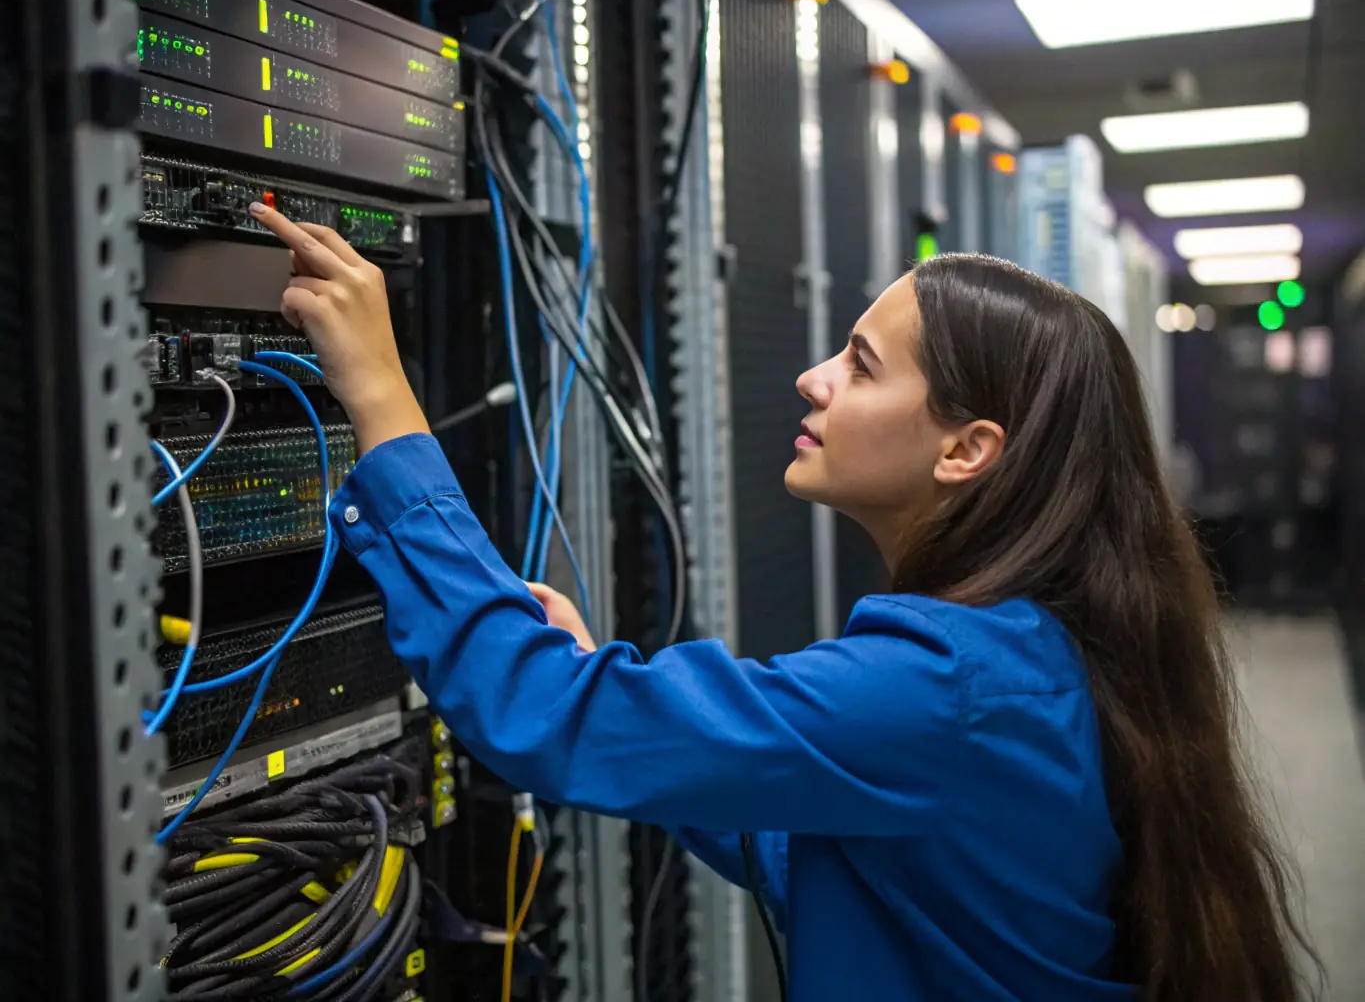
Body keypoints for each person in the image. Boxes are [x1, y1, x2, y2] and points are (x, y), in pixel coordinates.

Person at [247, 201, 1317, 1001]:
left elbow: (538, 717)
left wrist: (381, 396)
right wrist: (632, 718)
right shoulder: (1026, 652)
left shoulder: (944, 686)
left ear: (966, 449)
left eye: (859, 363)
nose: (812, 377)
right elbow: (838, 856)